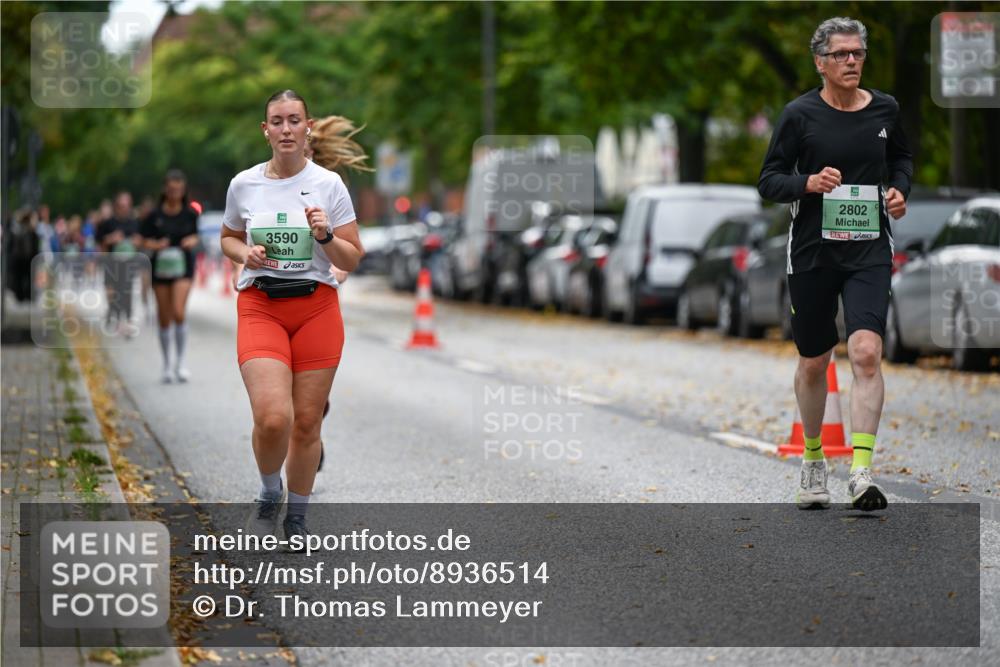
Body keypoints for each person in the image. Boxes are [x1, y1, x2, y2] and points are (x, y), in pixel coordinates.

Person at [758, 17, 912, 511]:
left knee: (866, 352)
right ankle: (812, 459)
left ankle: (862, 473)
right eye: (842, 55)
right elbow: (769, 181)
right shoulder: (799, 115)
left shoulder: (885, 109)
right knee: (814, 361)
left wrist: (899, 191)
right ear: (820, 62)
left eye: (858, 54)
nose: (852, 62)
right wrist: (807, 183)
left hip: (868, 250)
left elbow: (903, 160)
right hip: (812, 253)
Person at [220, 89, 365, 544]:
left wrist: (323, 236)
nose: (285, 129)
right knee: (272, 418)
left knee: (307, 422)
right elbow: (227, 238)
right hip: (261, 305)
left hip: (316, 308)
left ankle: (297, 517)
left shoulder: (329, 185)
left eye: (293, 120)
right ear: (266, 130)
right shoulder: (244, 184)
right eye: (276, 121)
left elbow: (353, 256)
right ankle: (269, 492)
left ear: (308, 128)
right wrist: (246, 253)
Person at [140, 170, 201, 383]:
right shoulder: (153, 216)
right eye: (171, 188)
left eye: (179, 189)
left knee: (178, 311)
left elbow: (196, 236)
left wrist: (192, 241)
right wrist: (155, 245)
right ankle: (167, 364)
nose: (175, 192)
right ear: (165, 189)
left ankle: (181, 363)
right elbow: (141, 240)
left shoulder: (190, 214)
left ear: (183, 190)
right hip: (160, 268)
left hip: (183, 267)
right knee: (164, 317)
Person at [96, 192, 143, 337]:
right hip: (111, 264)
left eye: (126, 206)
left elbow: (141, 241)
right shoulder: (107, 223)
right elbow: (99, 242)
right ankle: (112, 311)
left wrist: (137, 242)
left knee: (127, 291)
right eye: (121, 206)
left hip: (128, 264)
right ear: (116, 206)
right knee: (111, 292)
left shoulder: (135, 223)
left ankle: (127, 320)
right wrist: (110, 239)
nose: (124, 208)